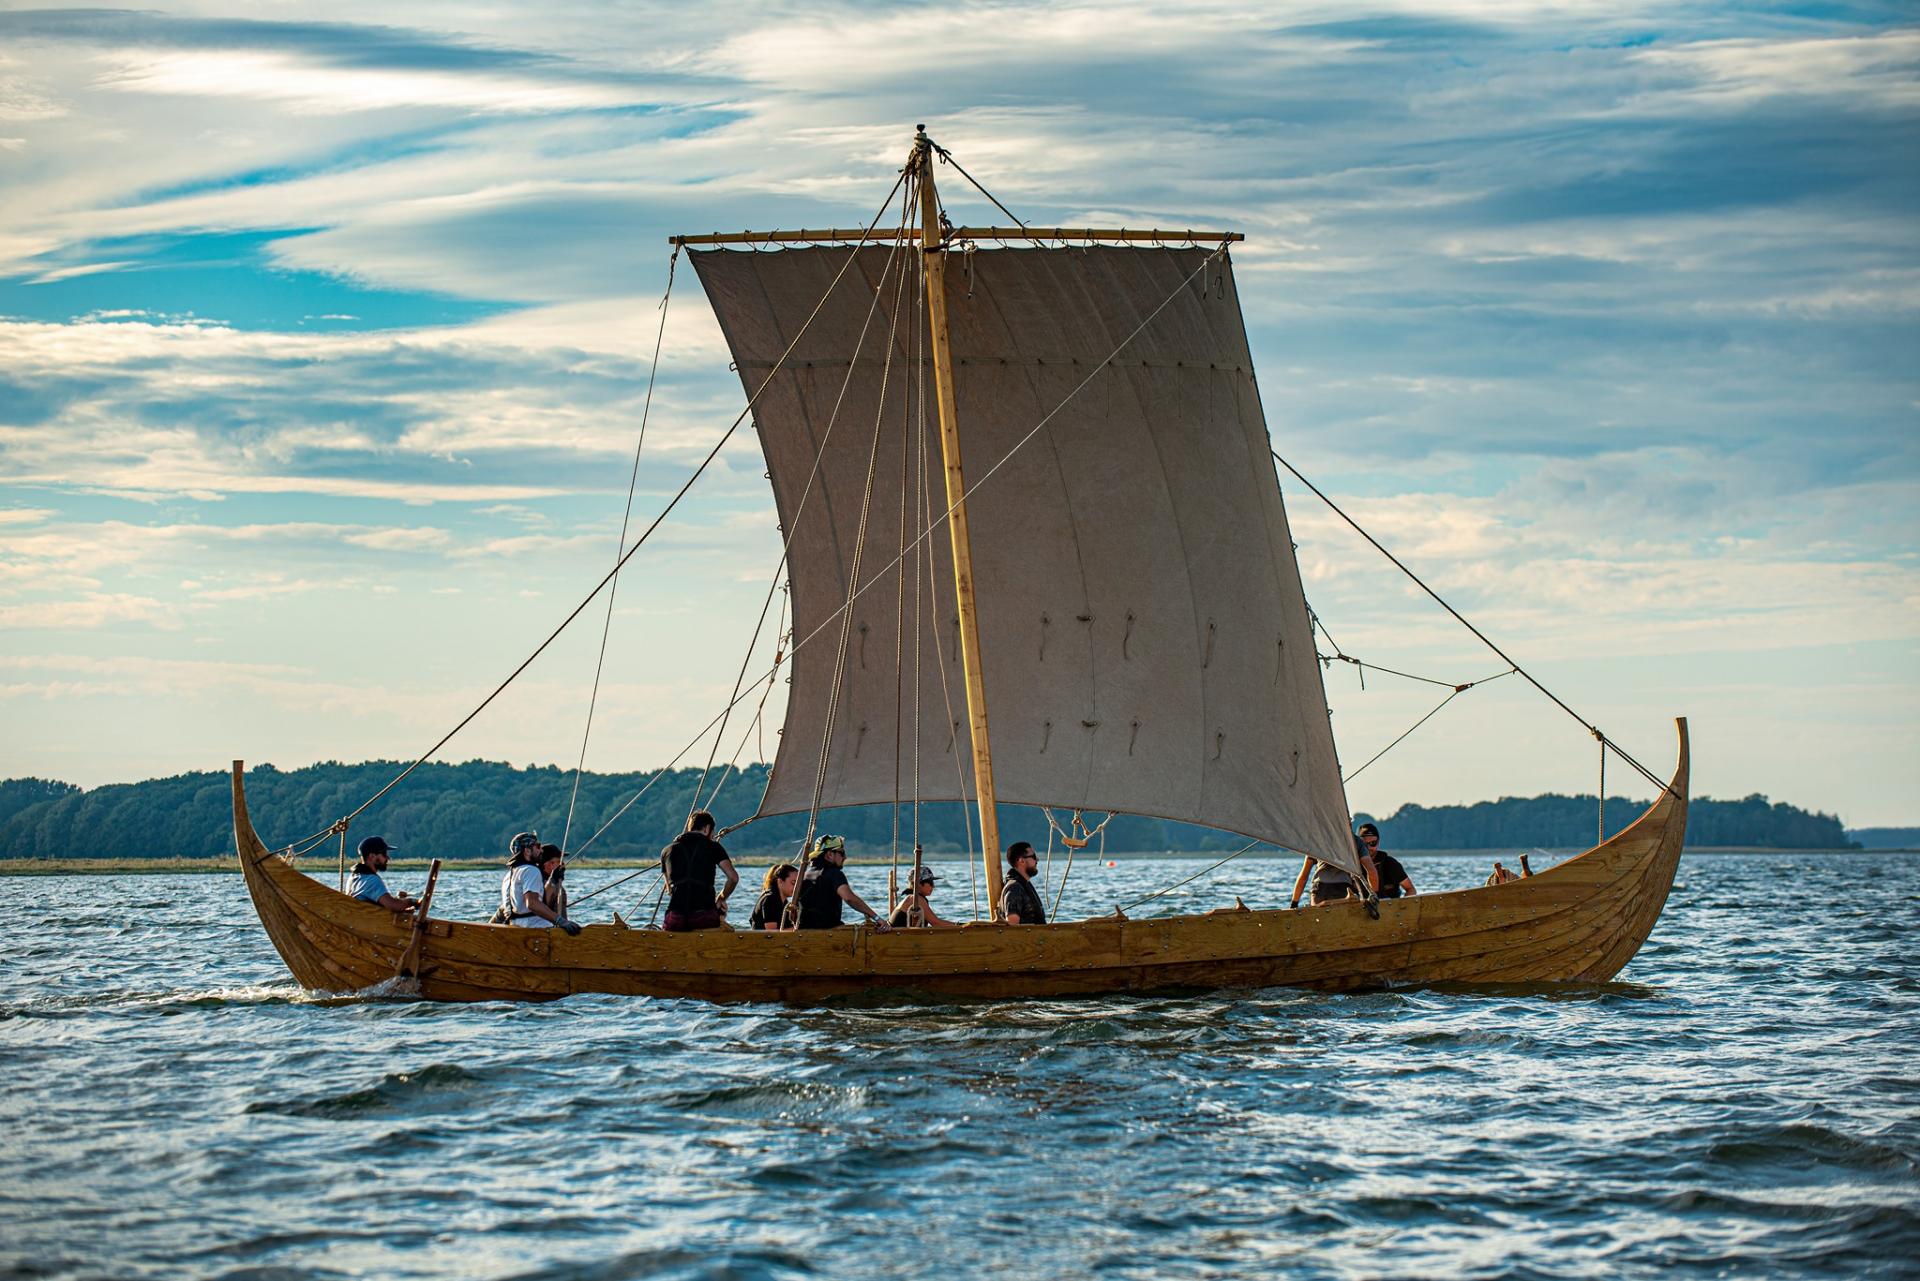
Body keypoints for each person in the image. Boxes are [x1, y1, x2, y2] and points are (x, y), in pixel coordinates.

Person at [661, 810, 739, 932]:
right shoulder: (713, 847)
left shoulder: (667, 850)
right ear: (707, 829)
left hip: (676, 918)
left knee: (669, 924)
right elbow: (733, 878)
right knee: (721, 915)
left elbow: (669, 890)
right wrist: (721, 898)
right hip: (704, 916)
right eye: (712, 833)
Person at [796, 835, 888, 929]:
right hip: (827, 931)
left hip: (804, 929)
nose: (845, 857)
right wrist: (877, 918)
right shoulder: (834, 874)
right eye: (842, 853)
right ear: (829, 855)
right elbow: (849, 898)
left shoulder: (805, 873)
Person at [500, 832, 580, 934]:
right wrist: (561, 921)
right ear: (527, 851)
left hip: (515, 926)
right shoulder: (531, 870)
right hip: (535, 928)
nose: (541, 850)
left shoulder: (509, 875)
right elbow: (532, 903)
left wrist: (553, 881)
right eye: (537, 846)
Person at [1289, 834, 1379, 908]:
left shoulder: (1317, 840)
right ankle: (1345, 900)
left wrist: (1294, 904)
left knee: (1318, 915)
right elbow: (1372, 872)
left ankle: (1320, 906)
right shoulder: (1356, 841)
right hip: (1343, 888)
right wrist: (1375, 897)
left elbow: (1304, 876)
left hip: (1320, 888)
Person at [346, 836, 414, 915]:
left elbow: (375, 905)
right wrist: (412, 902)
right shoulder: (371, 880)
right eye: (384, 854)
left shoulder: (354, 877)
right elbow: (394, 906)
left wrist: (399, 900)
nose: (388, 858)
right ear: (372, 856)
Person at [890, 865, 957, 928]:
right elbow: (936, 923)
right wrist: (961, 926)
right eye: (930, 883)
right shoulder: (914, 899)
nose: (933, 886)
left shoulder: (914, 898)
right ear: (918, 884)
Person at [1359, 823, 1414, 898]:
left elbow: (1410, 889)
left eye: (1372, 843)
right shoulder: (1352, 865)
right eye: (1364, 844)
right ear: (1358, 844)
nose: (1368, 848)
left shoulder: (1390, 864)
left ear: (1378, 842)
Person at [998, 841, 1046, 924]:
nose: (1037, 859)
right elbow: (1012, 928)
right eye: (1033, 856)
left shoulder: (1022, 885)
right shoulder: (1014, 888)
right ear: (1022, 861)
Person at [749, 863, 798, 931]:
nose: (796, 887)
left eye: (798, 884)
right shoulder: (770, 900)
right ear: (780, 881)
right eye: (793, 883)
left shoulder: (785, 903)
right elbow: (772, 933)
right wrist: (798, 929)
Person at [539, 843, 569, 920]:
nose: (562, 864)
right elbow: (542, 904)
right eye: (559, 861)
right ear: (548, 864)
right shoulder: (539, 881)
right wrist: (553, 880)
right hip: (549, 928)